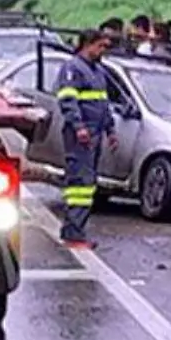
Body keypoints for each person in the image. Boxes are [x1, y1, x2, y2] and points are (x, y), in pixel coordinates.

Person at [55, 29, 118, 248]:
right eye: (100, 46)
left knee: (87, 184)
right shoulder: (73, 68)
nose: (103, 51)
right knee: (79, 184)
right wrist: (78, 126)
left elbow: (103, 103)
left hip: (95, 133)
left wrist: (110, 130)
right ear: (88, 44)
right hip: (80, 134)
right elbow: (68, 100)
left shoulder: (99, 71)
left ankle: (75, 231)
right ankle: (73, 233)